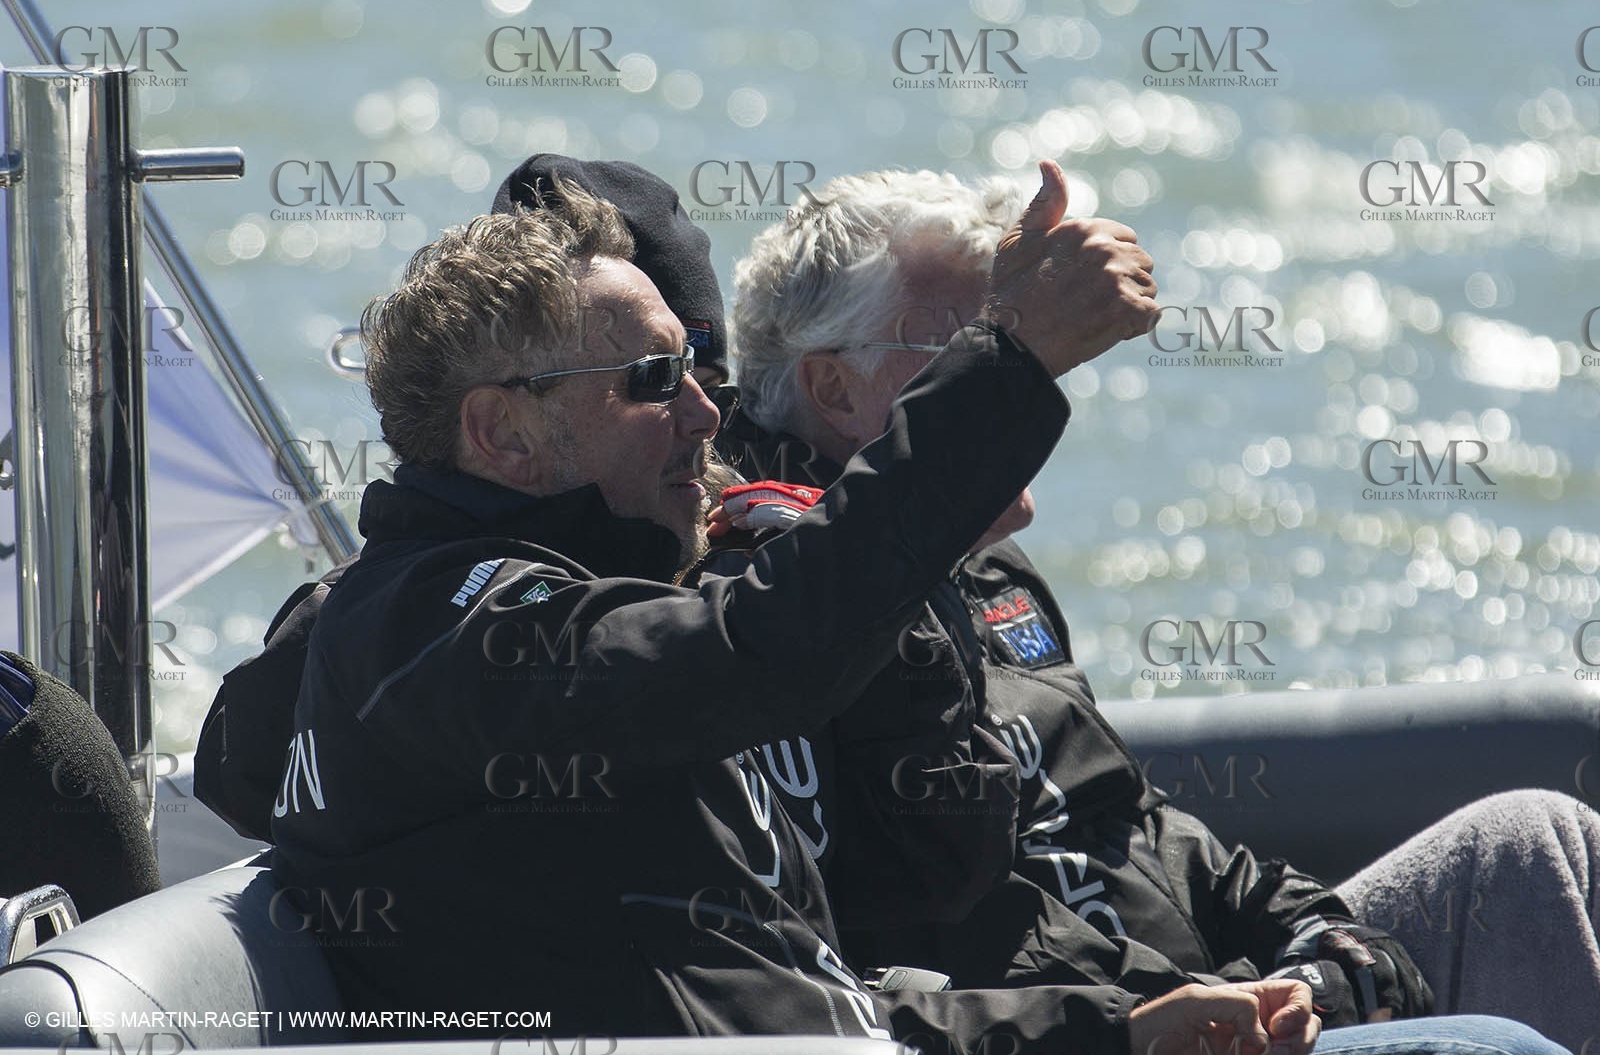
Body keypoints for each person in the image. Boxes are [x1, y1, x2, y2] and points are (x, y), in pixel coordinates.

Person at [203, 156, 1572, 1055]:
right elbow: (770, 654)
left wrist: (1137, 1019)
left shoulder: (619, 636)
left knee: (1533, 855)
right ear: (502, 434)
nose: (702, 410)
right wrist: (1016, 361)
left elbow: (825, 1008)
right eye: (647, 382)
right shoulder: (455, 630)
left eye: (693, 366)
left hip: (1031, 1015)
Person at [723, 166, 1600, 1050]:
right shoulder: (784, 615)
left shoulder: (989, 574)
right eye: (975, 347)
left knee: (1534, 844)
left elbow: (1133, 822)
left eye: (1010, 339)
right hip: (1103, 1028)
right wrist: (1167, 1006)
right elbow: (958, 926)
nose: (1023, 385)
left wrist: (1315, 941)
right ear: (834, 390)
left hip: (1208, 997)